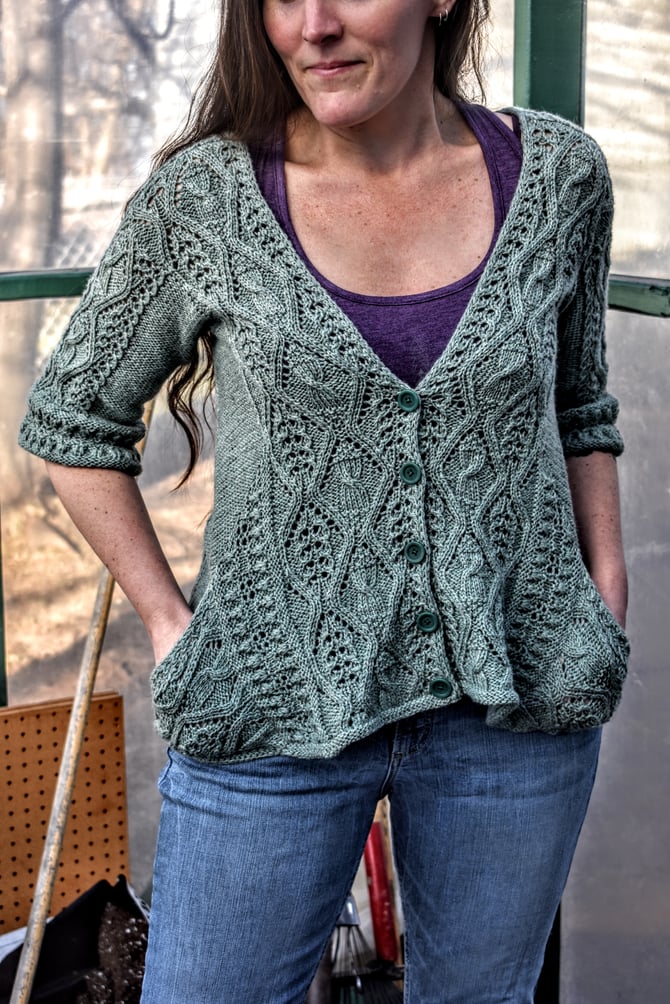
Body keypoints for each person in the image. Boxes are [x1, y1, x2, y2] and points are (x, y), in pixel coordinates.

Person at [19, 1, 630, 1001]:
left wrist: (603, 587)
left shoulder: (559, 176)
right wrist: (171, 619)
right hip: (269, 697)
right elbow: (72, 420)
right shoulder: (206, 199)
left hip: (516, 698)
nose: (312, 24)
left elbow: (578, 403)